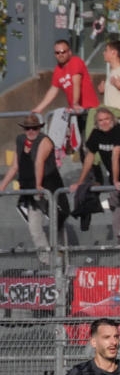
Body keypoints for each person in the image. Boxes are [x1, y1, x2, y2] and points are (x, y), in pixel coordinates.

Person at [0, 113, 68, 266]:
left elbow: (39, 163)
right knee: (34, 228)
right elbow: (15, 166)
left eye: (34, 128)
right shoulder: (20, 140)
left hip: (49, 185)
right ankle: (48, 261)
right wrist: (2, 185)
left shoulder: (44, 141)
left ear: (39, 128)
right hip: (29, 187)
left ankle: (63, 260)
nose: (31, 131)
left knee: (56, 223)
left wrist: (38, 186)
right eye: (28, 128)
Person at [73, 106, 120, 235]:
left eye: (107, 119)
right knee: (117, 213)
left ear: (112, 120)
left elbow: (115, 156)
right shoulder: (96, 134)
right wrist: (79, 182)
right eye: (100, 120)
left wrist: (116, 180)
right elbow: (89, 158)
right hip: (115, 179)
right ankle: (108, 205)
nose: (104, 122)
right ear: (97, 122)